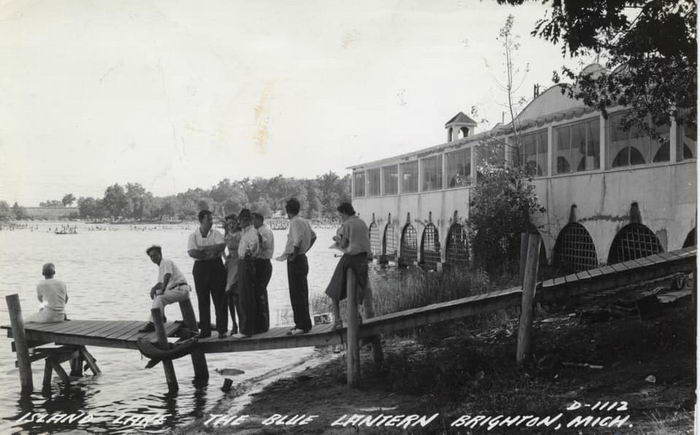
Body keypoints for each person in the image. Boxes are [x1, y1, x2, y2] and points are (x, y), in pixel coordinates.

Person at [325, 202, 372, 330]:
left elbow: (344, 245)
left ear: (345, 213)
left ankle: (338, 320)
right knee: (358, 289)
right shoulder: (362, 222)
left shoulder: (347, 224)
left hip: (351, 258)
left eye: (340, 215)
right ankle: (357, 316)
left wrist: (337, 240)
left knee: (333, 290)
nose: (341, 218)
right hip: (363, 260)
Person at [277, 198, 316, 335]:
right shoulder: (304, 221)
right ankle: (304, 323)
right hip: (302, 258)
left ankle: (301, 325)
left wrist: (294, 255)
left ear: (288, 211)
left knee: (296, 292)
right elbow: (313, 237)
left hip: (296, 260)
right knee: (302, 291)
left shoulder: (294, 222)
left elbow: (297, 240)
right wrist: (305, 251)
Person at [187, 210, 228, 339]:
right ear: (201, 220)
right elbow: (192, 252)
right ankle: (205, 331)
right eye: (209, 219)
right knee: (202, 300)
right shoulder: (193, 236)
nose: (211, 222)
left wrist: (203, 249)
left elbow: (221, 246)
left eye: (211, 219)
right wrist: (210, 251)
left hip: (216, 266)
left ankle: (222, 330)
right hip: (200, 268)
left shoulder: (216, 233)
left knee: (220, 299)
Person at [139, 246, 191, 332]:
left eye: (155, 255)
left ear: (160, 254)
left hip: (181, 289)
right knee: (157, 295)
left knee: (160, 298)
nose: (153, 258)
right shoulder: (161, 267)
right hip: (177, 290)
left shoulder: (166, 262)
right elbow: (160, 283)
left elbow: (167, 275)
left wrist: (162, 290)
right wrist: (153, 289)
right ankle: (161, 317)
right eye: (151, 256)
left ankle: (153, 323)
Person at [232, 209, 260, 338]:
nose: (239, 223)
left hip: (247, 263)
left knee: (246, 297)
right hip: (243, 263)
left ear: (245, 220)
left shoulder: (252, 233)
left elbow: (252, 249)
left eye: (241, 221)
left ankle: (247, 330)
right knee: (244, 296)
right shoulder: (245, 232)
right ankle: (249, 328)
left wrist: (248, 257)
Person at [252, 212, 273, 333]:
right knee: (260, 293)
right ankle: (261, 324)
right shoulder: (261, 230)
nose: (252, 223)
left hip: (263, 263)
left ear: (259, 220)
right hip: (261, 263)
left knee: (260, 294)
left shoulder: (263, 231)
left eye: (253, 220)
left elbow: (263, 246)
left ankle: (263, 325)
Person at [224, 214, 242, 335]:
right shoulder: (227, 235)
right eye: (229, 224)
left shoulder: (241, 234)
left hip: (239, 263)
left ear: (237, 222)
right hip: (230, 264)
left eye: (233, 223)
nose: (231, 225)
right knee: (228, 296)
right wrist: (226, 258)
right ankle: (234, 324)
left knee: (237, 295)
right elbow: (222, 249)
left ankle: (242, 324)